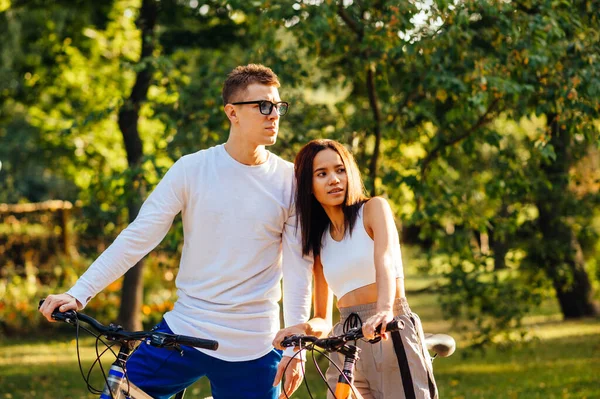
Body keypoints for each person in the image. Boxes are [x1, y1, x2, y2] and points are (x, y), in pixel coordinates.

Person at [39, 64, 314, 399]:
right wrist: (79, 293)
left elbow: (300, 265)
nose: (274, 115)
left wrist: (295, 343)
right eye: (263, 106)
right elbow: (140, 235)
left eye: (278, 106)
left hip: (254, 345)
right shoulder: (192, 169)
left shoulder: (291, 180)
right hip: (184, 331)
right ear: (232, 113)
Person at [273, 139, 438, 399]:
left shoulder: (373, 209)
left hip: (389, 329)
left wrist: (384, 310)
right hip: (346, 341)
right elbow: (323, 320)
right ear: (308, 185)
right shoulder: (320, 241)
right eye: (322, 174)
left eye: (340, 170)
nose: (334, 179)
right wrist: (299, 329)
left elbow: (384, 260)